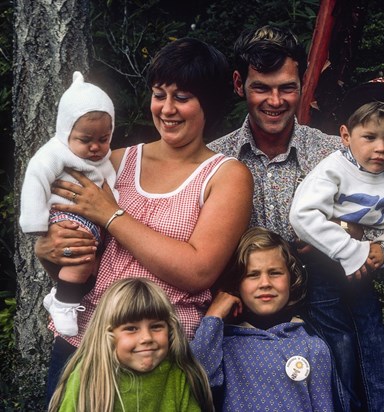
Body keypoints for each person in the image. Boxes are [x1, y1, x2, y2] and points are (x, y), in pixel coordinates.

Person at [35, 38, 253, 400]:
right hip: (87, 343)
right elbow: (75, 256)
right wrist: (49, 250)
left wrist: (111, 215)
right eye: (159, 94)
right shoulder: (116, 161)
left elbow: (197, 271)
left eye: (182, 97)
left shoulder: (226, 175)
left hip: (163, 354)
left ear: (209, 103)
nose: (167, 109)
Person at [289, 77, 384, 411]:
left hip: (363, 273)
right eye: (370, 137)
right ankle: (345, 405)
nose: (380, 148)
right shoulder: (333, 169)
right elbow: (302, 215)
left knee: (373, 340)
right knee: (340, 344)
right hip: (324, 271)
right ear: (347, 137)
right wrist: (353, 251)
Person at [207, 25, 342, 245]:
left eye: (287, 88)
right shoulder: (213, 162)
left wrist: (348, 229)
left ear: (303, 81)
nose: (276, 101)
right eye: (261, 88)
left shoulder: (334, 154)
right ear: (239, 84)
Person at [190, 227, 334, 412]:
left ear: (292, 278)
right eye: (253, 274)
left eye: (275, 273)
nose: (265, 283)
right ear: (237, 283)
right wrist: (213, 315)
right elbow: (196, 381)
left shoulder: (313, 346)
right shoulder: (223, 346)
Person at [19, 71, 117, 337]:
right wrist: (35, 223)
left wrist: (115, 207)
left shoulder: (103, 158)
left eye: (103, 139)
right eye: (86, 140)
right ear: (66, 131)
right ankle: (64, 303)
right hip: (62, 216)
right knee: (82, 257)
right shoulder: (55, 152)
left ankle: (60, 296)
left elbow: (110, 183)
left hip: (95, 222)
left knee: (92, 267)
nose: (96, 147)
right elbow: (36, 178)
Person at [48, 277, 214, 412]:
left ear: (170, 330)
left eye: (156, 326)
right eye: (131, 328)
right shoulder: (89, 374)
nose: (146, 337)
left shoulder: (177, 374)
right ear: (108, 334)